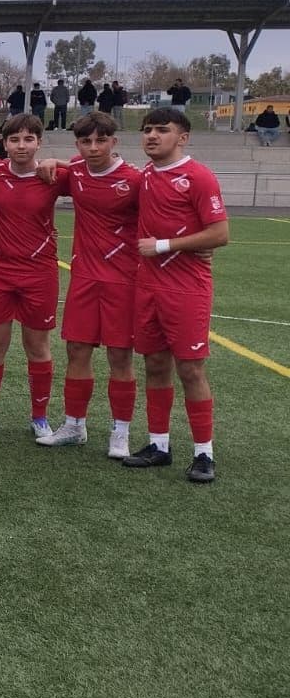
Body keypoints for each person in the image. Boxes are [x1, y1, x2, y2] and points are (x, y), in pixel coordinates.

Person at [123, 109, 229, 482]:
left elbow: (219, 234)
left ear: (182, 137)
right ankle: (159, 445)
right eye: (147, 130)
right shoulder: (147, 176)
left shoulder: (198, 176)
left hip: (187, 289)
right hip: (147, 287)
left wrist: (165, 245)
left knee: (190, 369)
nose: (152, 136)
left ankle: (204, 453)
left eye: (162, 130)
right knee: (154, 365)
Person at [34, 111, 142, 457]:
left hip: (124, 281)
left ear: (114, 141)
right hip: (83, 277)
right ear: (77, 144)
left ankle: (120, 432)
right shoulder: (76, 172)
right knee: (77, 351)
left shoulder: (135, 180)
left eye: (100, 140)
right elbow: (46, 175)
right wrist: (51, 160)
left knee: (119, 357)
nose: (93, 148)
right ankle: (74, 425)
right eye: (85, 141)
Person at [0, 114, 59, 438]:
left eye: (29, 139)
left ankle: (40, 417)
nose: (22, 145)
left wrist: (58, 160)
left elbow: (99, 167)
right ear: (4, 143)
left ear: (39, 142)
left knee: (37, 345)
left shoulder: (53, 174)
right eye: (15, 139)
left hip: (40, 271)